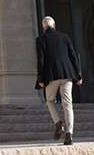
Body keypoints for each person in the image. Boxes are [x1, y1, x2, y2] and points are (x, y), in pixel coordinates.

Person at [35, 16, 82, 146]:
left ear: (43, 27)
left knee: (50, 100)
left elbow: (41, 60)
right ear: (54, 25)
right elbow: (72, 55)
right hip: (67, 74)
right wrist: (78, 75)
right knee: (68, 104)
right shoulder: (65, 37)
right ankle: (69, 134)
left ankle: (58, 122)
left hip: (51, 76)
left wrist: (40, 78)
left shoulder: (40, 39)